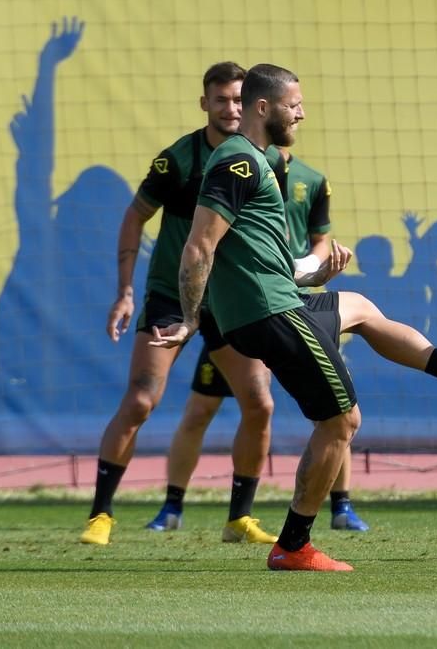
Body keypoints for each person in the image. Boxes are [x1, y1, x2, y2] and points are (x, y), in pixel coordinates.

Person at [150, 63, 437, 571]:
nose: (302, 112)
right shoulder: (239, 163)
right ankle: (293, 545)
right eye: (294, 104)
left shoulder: (258, 160)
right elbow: (198, 247)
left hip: (274, 300)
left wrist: (318, 272)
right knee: (342, 421)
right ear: (264, 108)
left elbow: (265, 259)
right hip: (267, 312)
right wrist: (189, 319)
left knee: (360, 308)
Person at [80, 62, 284, 547]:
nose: (230, 109)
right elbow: (135, 217)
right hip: (173, 296)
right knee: (141, 400)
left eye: (238, 99)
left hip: (230, 300)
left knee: (260, 403)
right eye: (221, 100)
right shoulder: (178, 160)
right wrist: (126, 291)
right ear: (205, 104)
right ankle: (101, 515)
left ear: (251, 102)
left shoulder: (267, 159)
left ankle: (239, 519)